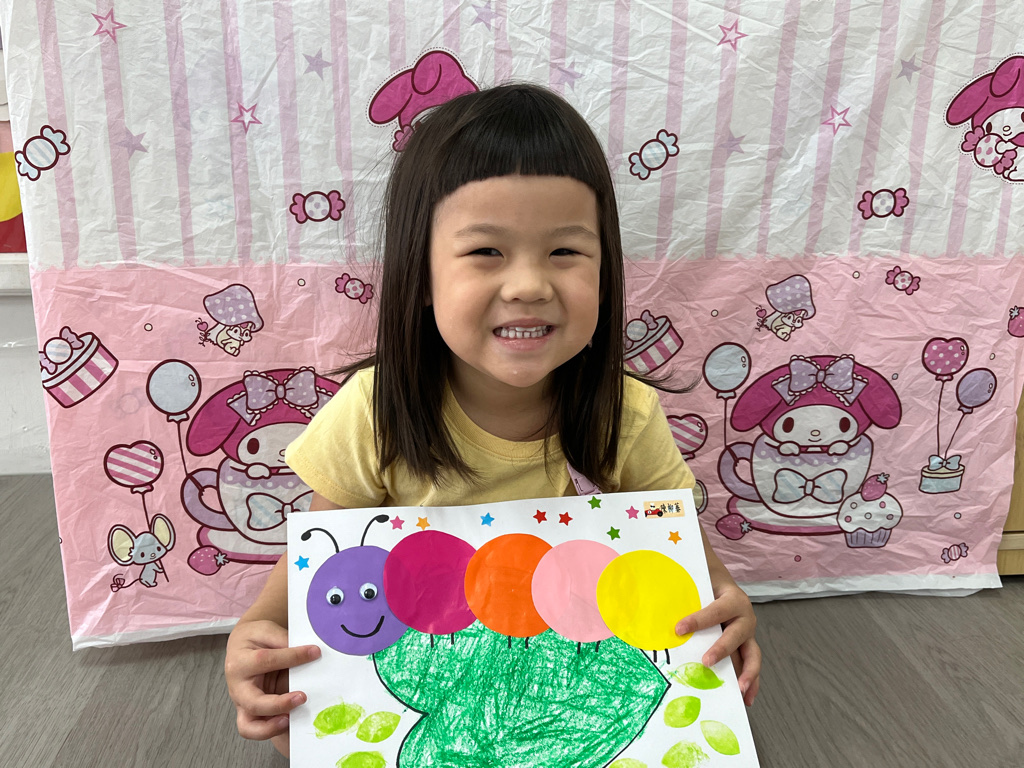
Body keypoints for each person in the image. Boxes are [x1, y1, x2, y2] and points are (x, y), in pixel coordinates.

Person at [224, 83, 761, 758]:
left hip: (566, 675)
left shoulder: (624, 414)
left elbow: (680, 548)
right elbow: (320, 566)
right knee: (294, 734)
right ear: (420, 276)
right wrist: (258, 630)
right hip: (431, 664)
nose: (530, 285)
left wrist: (727, 599)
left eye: (565, 252)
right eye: (486, 252)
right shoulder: (373, 410)